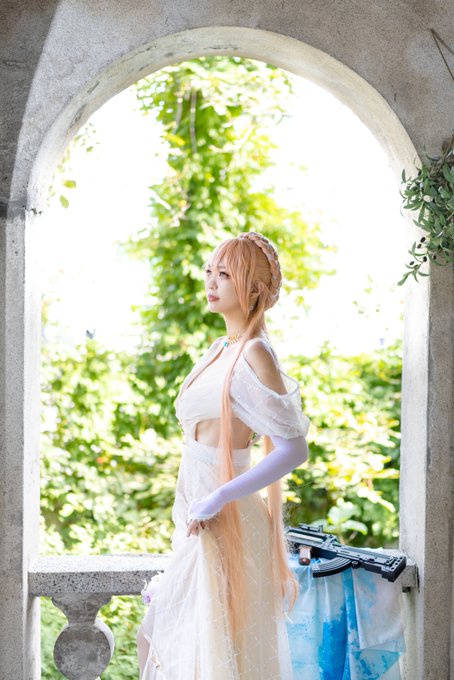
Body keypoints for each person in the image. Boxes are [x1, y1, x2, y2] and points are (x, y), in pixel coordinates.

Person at [136, 231, 310, 679]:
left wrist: (220, 496)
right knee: (168, 642)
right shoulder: (220, 349)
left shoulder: (255, 352)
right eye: (209, 271)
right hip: (196, 513)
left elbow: (293, 449)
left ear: (254, 289)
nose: (211, 281)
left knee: (209, 653)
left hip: (225, 515)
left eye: (225, 274)